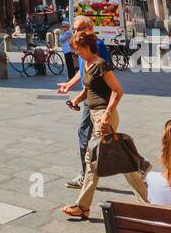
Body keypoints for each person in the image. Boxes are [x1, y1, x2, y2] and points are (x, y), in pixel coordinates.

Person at [61, 29, 147, 220]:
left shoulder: (101, 65)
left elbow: (118, 91)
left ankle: (82, 207)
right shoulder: (86, 63)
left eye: (77, 49)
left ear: (85, 47)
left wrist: (107, 113)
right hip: (94, 114)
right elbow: (87, 89)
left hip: (103, 117)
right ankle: (142, 183)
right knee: (117, 159)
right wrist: (75, 100)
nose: (75, 53)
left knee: (92, 161)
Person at [57, 15, 110, 190]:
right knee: (107, 137)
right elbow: (84, 71)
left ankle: (84, 174)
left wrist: (78, 98)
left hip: (97, 98)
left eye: (79, 29)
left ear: (90, 28)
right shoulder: (82, 44)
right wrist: (69, 84)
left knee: (85, 133)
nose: (75, 32)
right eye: (74, 29)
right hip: (92, 96)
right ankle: (139, 164)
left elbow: (95, 77)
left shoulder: (97, 46)